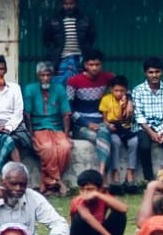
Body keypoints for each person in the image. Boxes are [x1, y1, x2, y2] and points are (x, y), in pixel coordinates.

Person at [24, 61, 72, 196]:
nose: (45, 78)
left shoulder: (59, 89)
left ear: (52, 75)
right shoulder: (30, 89)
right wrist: (31, 135)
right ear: (38, 76)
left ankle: (47, 183)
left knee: (65, 147)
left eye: (48, 75)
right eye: (42, 75)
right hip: (38, 128)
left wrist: (66, 134)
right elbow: (27, 114)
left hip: (56, 127)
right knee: (47, 148)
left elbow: (66, 114)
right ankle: (58, 182)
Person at [65, 49, 114, 178]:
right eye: (91, 65)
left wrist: (129, 101)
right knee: (105, 138)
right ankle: (103, 175)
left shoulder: (108, 77)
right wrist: (87, 124)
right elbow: (69, 109)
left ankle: (101, 172)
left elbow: (122, 90)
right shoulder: (74, 81)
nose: (94, 68)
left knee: (103, 134)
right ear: (85, 65)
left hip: (101, 123)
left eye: (97, 64)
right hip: (81, 126)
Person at [66, 170, 128, 235]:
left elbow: (123, 208)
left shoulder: (102, 197)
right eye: (82, 189)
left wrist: (98, 195)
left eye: (90, 189)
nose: (85, 193)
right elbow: (87, 217)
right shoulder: (78, 201)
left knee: (119, 214)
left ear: (100, 189)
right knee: (78, 218)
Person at [133, 58, 163, 182]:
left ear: (162, 72)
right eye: (151, 72)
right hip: (145, 127)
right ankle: (149, 180)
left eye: (157, 72)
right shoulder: (138, 91)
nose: (154, 75)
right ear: (145, 73)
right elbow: (138, 115)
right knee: (144, 146)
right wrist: (151, 133)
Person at [43, 0, 96, 83]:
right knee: (61, 86)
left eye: (72, 3)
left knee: (80, 85)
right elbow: (47, 40)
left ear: (76, 3)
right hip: (60, 59)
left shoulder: (86, 20)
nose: (69, 6)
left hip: (80, 58)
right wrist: (53, 52)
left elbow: (91, 38)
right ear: (62, 4)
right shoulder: (53, 20)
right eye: (66, 4)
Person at [99, 75, 138, 193]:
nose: (119, 93)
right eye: (116, 90)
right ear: (111, 89)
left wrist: (125, 105)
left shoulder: (128, 101)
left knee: (134, 142)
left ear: (126, 90)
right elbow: (104, 119)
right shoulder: (106, 99)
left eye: (122, 91)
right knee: (115, 142)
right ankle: (115, 171)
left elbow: (127, 119)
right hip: (113, 127)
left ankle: (130, 172)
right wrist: (108, 125)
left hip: (126, 126)